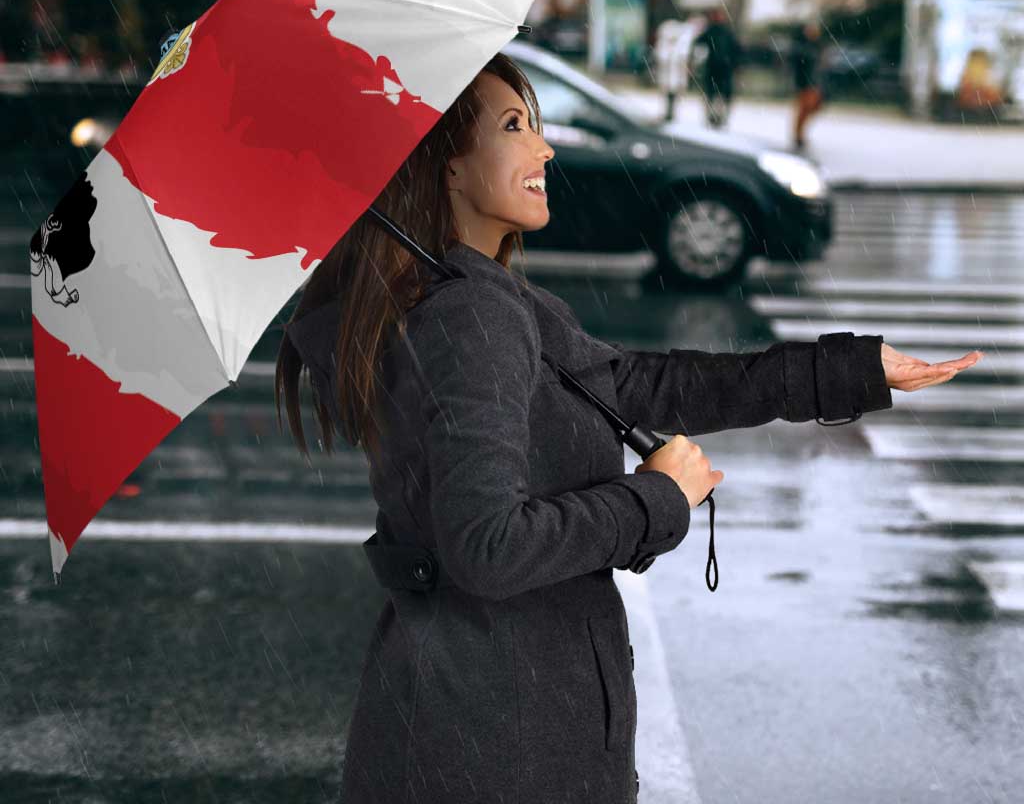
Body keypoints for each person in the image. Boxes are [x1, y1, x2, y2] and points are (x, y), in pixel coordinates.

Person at [275, 51, 981, 804]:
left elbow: (642, 385)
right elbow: (487, 547)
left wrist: (850, 371)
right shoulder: (469, 316)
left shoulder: (480, 299)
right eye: (514, 126)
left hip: (481, 722)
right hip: (497, 742)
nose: (544, 148)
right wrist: (654, 499)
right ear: (445, 166)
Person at [692, 6, 742, 129]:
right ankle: (713, 117)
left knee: (720, 95)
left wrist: (735, 64)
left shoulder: (725, 32)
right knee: (713, 94)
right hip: (715, 68)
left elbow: (736, 50)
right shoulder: (712, 31)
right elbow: (698, 44)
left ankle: (719, 117)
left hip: (723, 68)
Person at [790, 19, 826, 150]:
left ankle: (799, 134)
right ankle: (798, 135)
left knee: (812, 108)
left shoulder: (817, 46)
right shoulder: (802, 47)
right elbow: (799, 66)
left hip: (814, 83)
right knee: (804, 109)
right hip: (805, 83)